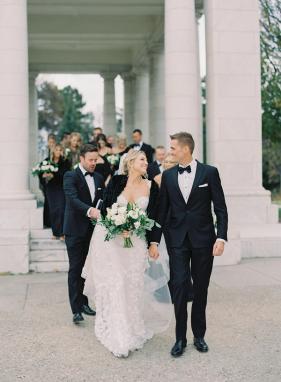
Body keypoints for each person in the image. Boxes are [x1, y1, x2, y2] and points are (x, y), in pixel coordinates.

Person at [83, 150, 172, 358]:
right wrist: (115, 223)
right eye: (142, 159)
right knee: (116, 283)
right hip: (111, 242)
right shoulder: (116, 181)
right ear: (131, 162)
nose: (146, 163)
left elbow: (157, 216)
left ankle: (132, 327)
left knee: (132, 285)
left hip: (136, 243)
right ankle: (118, 332)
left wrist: (154, 243)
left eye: (146, 160)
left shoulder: (152, 186)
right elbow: (105, 208)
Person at [149, 132, 228, 357]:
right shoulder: (169, 175)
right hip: (177, 241)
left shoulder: (209, 173)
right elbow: (161, 211)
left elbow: (220, 208)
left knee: (201, 288)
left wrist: (221, 237)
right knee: (180, 287)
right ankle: (180, 338)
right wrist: (154, 240)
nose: (169, 151)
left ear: (185, 149)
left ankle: (199, 336)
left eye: (173, 148)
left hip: (204, 240)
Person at [63, 144, 105, 324]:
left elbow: (102, 201)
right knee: (75, 268)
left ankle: (85, 302)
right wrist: (90, 211)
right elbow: (72, 199)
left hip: (93, 231)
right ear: (81, 158)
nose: (94, 163)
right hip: (74, 230)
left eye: (96, 160)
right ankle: (76, 309)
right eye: (91, 160)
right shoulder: (70, 176)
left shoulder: (99, 177)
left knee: (88, 269)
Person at [40, 144, 71, 240]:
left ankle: (62, 233)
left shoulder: (65, 161)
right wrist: (44, 176)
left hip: (61, 187)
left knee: (61, 209)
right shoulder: (47, 161)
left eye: (60, 150)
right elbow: (40, 172)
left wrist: (54, 174)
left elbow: (65, 173)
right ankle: (55, 232)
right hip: (51, 188)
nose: (58, 151)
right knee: (53, 211)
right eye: (56, 150)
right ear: (53, 151)